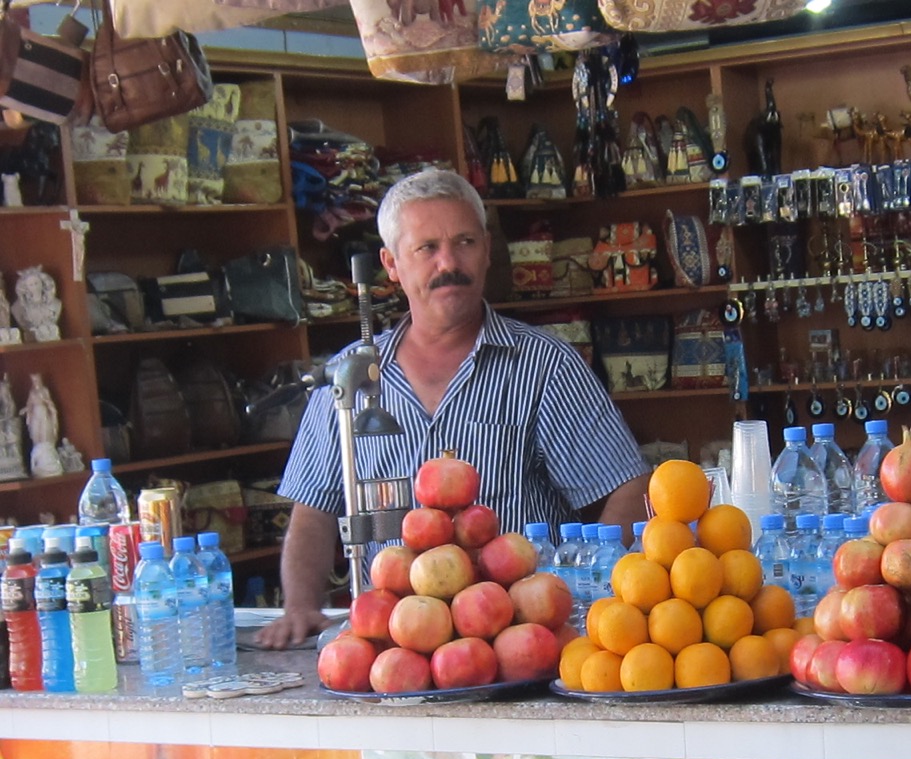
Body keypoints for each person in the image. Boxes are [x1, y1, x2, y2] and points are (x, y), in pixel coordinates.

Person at [256, 168, 651, 648]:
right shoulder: (350, 378)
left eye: (464, 242)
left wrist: (579, 596)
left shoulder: (545, 366)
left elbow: (627, 487)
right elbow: (312, 508)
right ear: (392, 263)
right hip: (393, 648)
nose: (449, 262)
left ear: (486, 250)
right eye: (427, 248)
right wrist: (299, 608)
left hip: (518, 642)